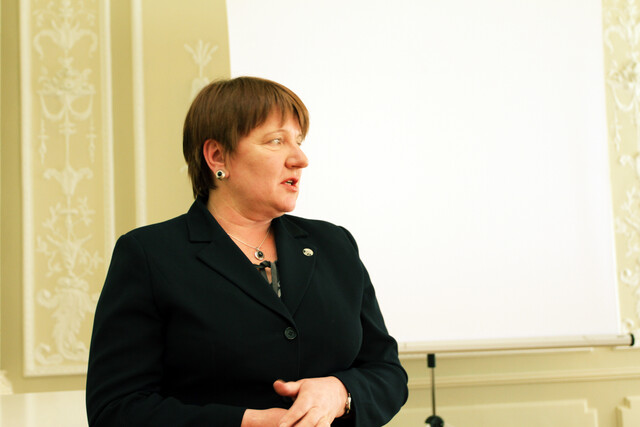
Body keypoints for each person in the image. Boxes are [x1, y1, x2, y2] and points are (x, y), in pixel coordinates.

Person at [86, 76, 408, 426]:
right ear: (217, 156)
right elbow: (116, 410)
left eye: (299, 141)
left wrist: (341, 391)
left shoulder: (335, 244)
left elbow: (387, 372)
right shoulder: (148, 255)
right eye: (276, 141)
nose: (300, 159)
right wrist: (246, 422)